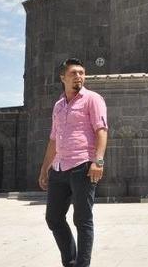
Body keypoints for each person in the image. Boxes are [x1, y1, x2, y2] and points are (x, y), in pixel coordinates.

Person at [39, 58, 108, 267]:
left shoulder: (92, 99)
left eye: (81, 73)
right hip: (59, 167)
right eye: (73, 73)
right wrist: (44, 169)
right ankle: (70, 262)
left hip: (83, 166)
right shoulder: (58, 106)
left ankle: (82, 264)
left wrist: (98, 162)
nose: (78, 76)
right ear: (63, 78)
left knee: (82, 219)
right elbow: (53, 139)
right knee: (53, 218)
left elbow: (101, 131)